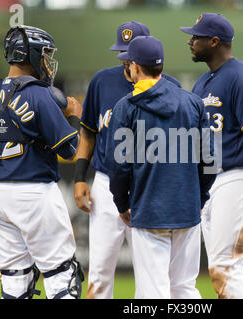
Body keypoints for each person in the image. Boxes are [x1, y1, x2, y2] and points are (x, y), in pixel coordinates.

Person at [0, 25, 84, 299]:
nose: (47, 60)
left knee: (15, 280)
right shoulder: (39, 95)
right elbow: (70, 149)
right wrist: (74, 114)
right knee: (62, 275)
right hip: (34, 194)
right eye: (45, 53)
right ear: (29, 53)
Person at [73, 21, 181, 299]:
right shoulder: (101, 81)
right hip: (107, 184)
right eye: (123, 52)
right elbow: (88, 134)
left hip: (149, 186)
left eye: (131, 52)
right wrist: (79, 178)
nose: (126, 58)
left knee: (153, 273)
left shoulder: (171, 87)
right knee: (99, 270)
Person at [105, 35, 216, 299]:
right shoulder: (193, 102)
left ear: (134, 66)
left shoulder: (126, 107)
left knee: (152, 292)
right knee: (185, 289)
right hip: (187, 211)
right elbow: (211, 158)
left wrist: (122, 203)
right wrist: (199, 197)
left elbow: (119, 166)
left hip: (149, 211)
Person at [180, 13, 243, 298]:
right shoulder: (202, 83)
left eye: (196, 37)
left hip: (236, 178)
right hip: (209, 184)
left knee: (226, 267)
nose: (190, 41)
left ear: (214, 42)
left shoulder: (241, 77)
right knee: (220, 267)